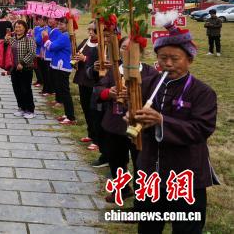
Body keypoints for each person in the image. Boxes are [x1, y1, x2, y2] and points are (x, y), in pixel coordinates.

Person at [133, 20, 217, 233]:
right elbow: (137, 113)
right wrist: (132, 117)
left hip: (186, 173)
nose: (168, 64)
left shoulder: (203, 92)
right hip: (151, 170)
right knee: (148, 226)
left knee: (186, 228)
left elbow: (201, 129)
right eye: (163, 58)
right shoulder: (149, 83)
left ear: (189, 60)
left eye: (175, 59)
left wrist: (162, 121)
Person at [96, 37, 159, 203]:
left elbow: (155, 98)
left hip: (139, 127)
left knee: (141, 162)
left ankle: (142, 198)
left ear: (140, 51)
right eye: (123, 48)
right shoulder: (114, 70)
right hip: (114, 124)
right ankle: (123, 189)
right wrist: (108, 93)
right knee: (116, 160)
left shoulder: (150, 73)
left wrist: (134, 96)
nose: (127, 51)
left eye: (132, 48)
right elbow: (99, 88)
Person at [72, 23, 100, 150]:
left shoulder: (102, 45)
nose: (90, 32)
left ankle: (97, 139)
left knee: (94, 110)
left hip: (93, 81)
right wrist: (75, 59)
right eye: (89, 29)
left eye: (93, 30)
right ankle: (91, 133)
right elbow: (78, 54)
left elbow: (99, 63)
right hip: (83, 79)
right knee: (85, 107)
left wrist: (85, 59)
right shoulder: (85, 42)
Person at [43, 17, 76, 125]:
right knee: (62, 91)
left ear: (68, 25)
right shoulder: (64, 35)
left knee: (65, 92)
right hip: (60, 65)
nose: (59, 26)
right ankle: (67, 114)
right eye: (59, 24)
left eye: (61, 24)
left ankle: (71, 117)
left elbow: (52, 47)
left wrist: (45, 37)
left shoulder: (65, 36)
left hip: (62, 66)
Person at [4, 20, 36, 118]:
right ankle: (21, 107)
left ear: (25, 28)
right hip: (14, 68)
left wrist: (22, 63)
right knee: (17, 89)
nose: (18, 29)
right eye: (16, 27)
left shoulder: (29, 39)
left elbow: (32, 53)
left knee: (25, 89)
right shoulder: (13, 39)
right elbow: (6, 49)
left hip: (26, 68)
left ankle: (30, 110)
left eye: (20, 27)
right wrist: (6, 40)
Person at [41, 17, 59, 98]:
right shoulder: (51, 30)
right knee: (46, 74)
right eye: (49, 19)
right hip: (47, 54)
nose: (49, 20)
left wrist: (45, 36)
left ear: (57, 21)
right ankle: (47, 89)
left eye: (52, 19)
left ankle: (50, 90)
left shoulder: (56, 31)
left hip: (51, 56)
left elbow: (52, 44)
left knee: (49, 75)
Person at [32, 16, 48, 88]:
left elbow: (38, 40)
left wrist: (33, 36)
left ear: (45, 21)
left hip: (40, 51)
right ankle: (40, 80)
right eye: (37, 20)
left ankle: (41, 81)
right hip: (38, 50)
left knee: (39, 67)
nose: (38, 22)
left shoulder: (44, 29)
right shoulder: (39, 28)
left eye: (40, 20)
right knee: (37, 67)